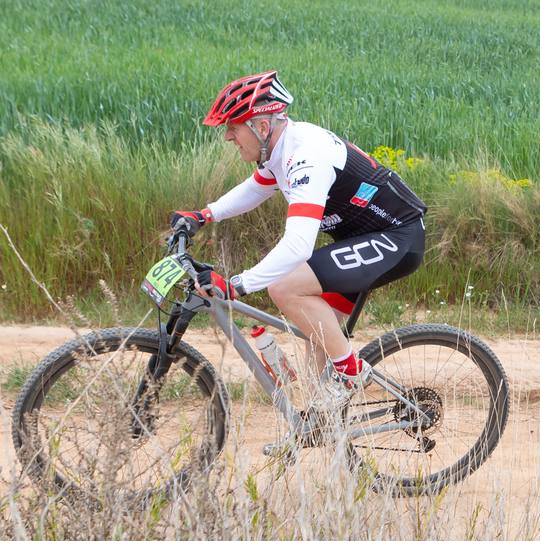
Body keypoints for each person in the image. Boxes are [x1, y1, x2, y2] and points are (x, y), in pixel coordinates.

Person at [170, 71, 427, 411]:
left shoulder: (307, 156)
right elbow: (257, 188)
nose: (229, 136)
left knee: (285, 287)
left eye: (233, 126)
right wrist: (204, 215)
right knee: (314, 362)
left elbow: (298, 246)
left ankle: (351, 375)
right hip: (359, 238)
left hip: (397, 237)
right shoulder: (279, 148)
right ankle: (326, 431)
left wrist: (236, 285)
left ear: (261, 127)